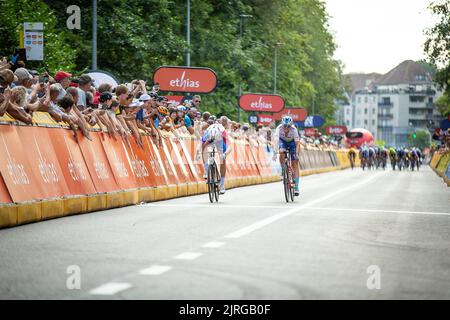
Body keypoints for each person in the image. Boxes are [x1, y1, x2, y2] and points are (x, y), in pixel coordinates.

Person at [273, 116, 301, 196]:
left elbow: (298, 143)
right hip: (283, 141)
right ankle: (283, 169)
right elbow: (276, 141)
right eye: (285, 126)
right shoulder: (278, 129)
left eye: (288, 126)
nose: (286, 128)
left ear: (291, 125)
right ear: (282, 125)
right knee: (281, 151)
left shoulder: (294, 130)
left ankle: (296, 187)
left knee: (295, 163)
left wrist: (296, 153)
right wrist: (275, 153)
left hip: (292, 142)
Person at [201, 121, 230, 194]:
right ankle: (207, 171)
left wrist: (224, 154)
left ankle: (222, 184)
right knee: (204, 152)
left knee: (222, 159)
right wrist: (205, 166)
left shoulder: (223, 134)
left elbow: (230, 148)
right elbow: (202, 148)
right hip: (209, 138)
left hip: (220, 140)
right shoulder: (207, 134)